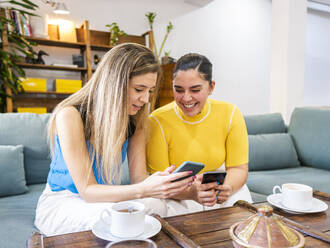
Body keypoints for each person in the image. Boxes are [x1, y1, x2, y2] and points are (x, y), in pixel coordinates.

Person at [35, 43, 193, 236]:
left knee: (157, 205)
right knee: (112, 219)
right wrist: (144, 190)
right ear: (114, 84)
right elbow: (87, 191)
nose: (145, 99)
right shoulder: (70, 115)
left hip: (104, 200)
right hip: (64, 201)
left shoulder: (135, 122)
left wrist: (165, 184)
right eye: (139, 89)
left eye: (150, 91)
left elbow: (140, 180)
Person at [146, 53, 252, 216]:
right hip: (177, 195)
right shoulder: (156, 121)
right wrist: (192, 192)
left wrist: (226, 188)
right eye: (179, 90)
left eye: (195, 90)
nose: (186, 98)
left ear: (211, 87)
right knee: (154, 206)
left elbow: (238, 168)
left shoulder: (230, 113)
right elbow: (160, 183)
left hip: (221, 188)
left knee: (243, 209)